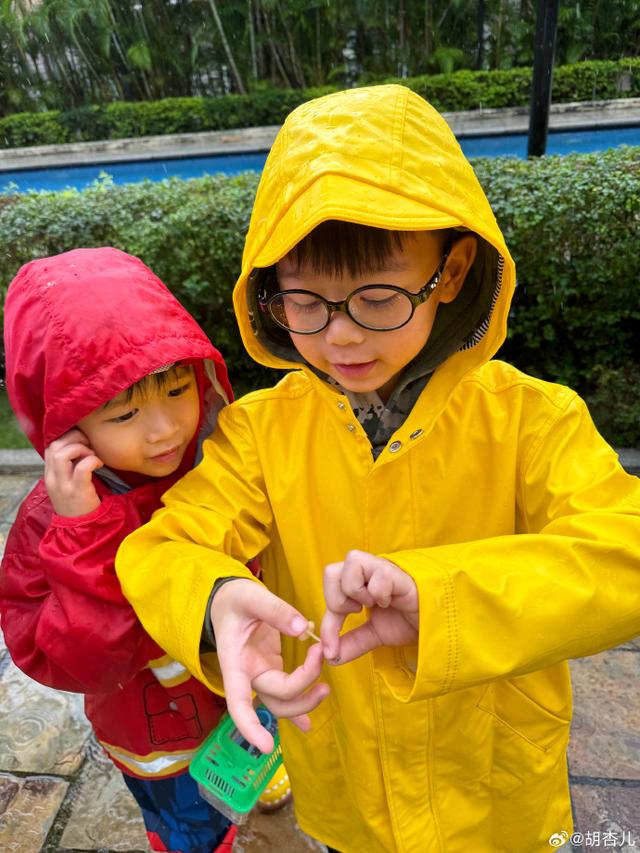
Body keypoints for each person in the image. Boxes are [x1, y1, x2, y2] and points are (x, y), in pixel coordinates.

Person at [115, 86, 640, 853]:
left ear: (452, 271)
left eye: (378, 297)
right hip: (347, 789)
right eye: (306, 303)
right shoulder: (264, 429)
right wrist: (215, 597)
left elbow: (625, 554)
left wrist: (443, 598)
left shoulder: (532, 417)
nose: (341, 338)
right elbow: (164, 547)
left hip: (495, 798)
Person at [0, 247, 288, 853]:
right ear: (65, 426)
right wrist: (84, 534)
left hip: (253, 685)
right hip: (160, 734)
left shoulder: (221, 460)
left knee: (254, 746)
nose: (163, 429)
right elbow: (78, 662)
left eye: (179, 389)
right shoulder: (49, 523)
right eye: (125, 412)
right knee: (193, 828)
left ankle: (257, 767)